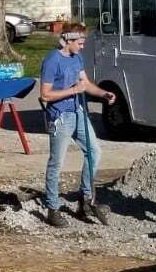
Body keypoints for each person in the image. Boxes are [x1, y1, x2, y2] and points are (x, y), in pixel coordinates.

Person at [39, 26, 114, 227]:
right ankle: (52, 209)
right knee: (56, 163)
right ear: (68, 40)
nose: (82, 47)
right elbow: (45, 94)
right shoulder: (52, 61)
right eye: (79, 43)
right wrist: (73, 90)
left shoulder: (76, 58)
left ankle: (86, 200)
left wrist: (103, 93)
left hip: (79, 112)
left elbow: (85, 84)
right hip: (60, 117)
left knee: (94, 151)